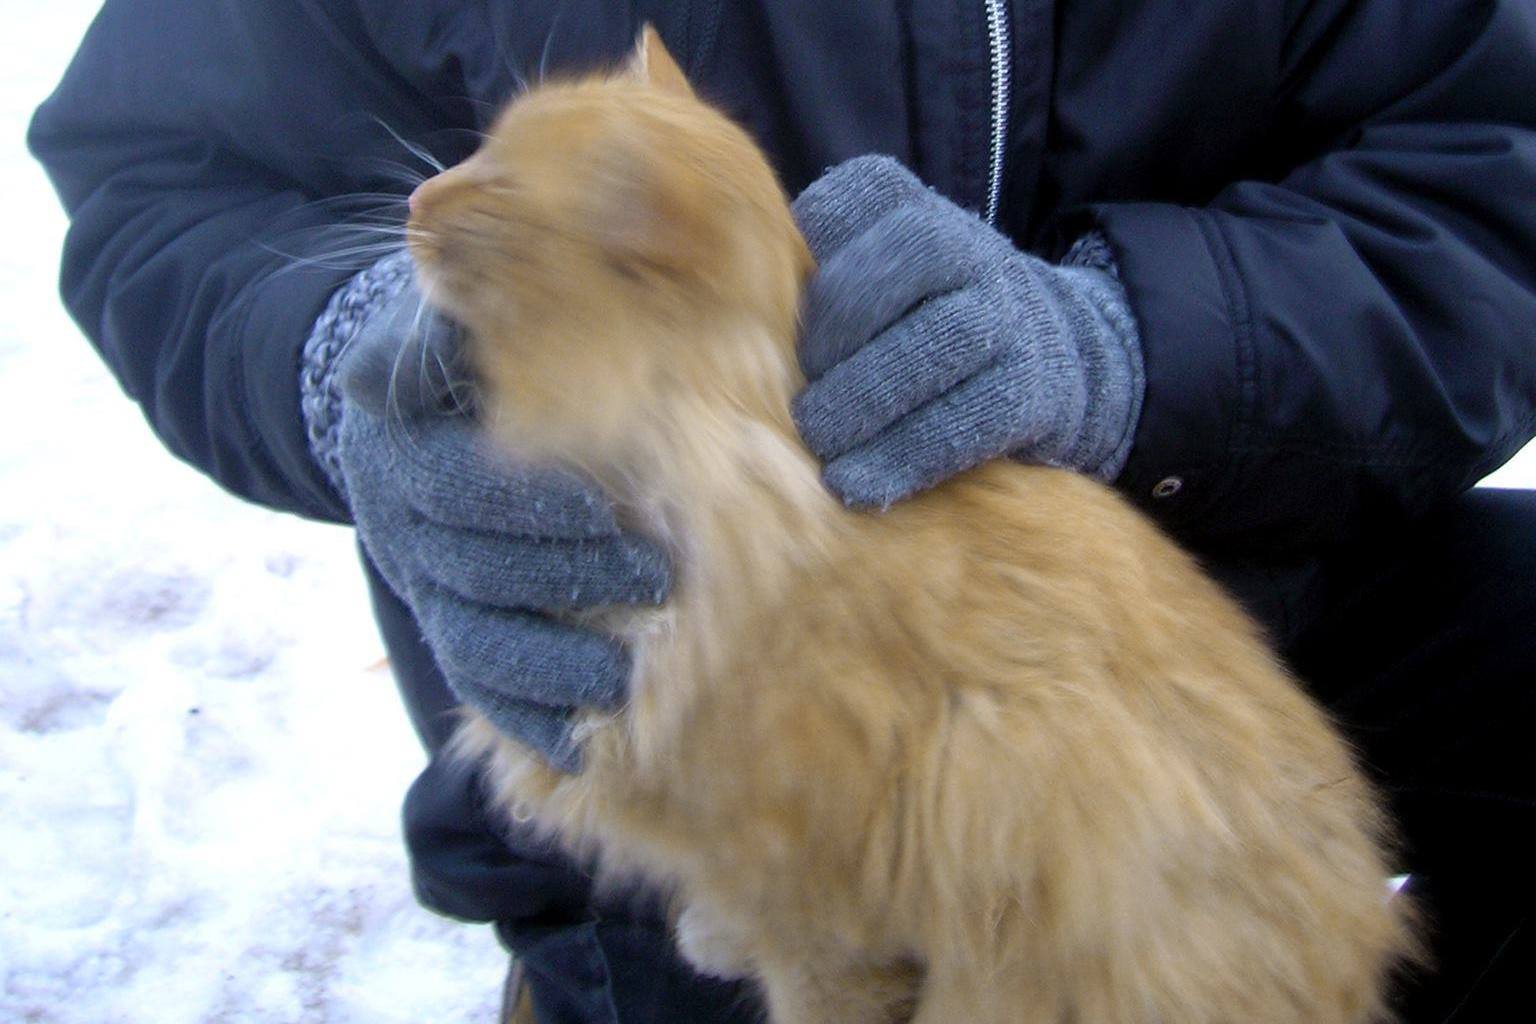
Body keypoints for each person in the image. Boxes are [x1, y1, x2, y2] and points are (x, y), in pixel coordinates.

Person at [30, 2, 1535, 1020]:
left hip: (1236, 611)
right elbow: (168, 176)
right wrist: (346, 367)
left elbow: (1494, 171)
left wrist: (1134, 346)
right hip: (666, 733)